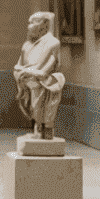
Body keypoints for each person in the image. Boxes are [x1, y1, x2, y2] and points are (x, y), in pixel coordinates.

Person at [13, 11, 65, 139]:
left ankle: (45, 131)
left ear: (44, 24)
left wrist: (28, 71)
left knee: (42, 109)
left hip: (44, 85)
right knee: (32, 108)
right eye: (28, 23)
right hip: (29, 84)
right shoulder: (27, 45)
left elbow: (45, 71)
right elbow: (18, 66)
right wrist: (23, 73)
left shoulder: (53, 43)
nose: (28, 26)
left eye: (32, 22)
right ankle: (38, 129)